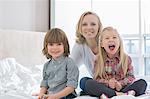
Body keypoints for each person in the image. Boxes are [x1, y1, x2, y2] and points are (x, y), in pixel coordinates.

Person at [80, 27, 147, 98]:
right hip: (105, 87)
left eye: (114, 37)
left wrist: (120, 84)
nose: (111, 40)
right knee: (84, 81)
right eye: (107, 38)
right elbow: (97, 78)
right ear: (102, 44)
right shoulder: (98, 59)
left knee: (142, 83)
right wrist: (108, 83)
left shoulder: (126, 59)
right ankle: (117, 94)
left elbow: (131, 77)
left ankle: (109, 94)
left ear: (119, 42)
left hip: (122, 88)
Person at [37, 28, 79, 99]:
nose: (55, 48)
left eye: (59, 44)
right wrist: (41, 94)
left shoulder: (69, 63)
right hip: (50, 94)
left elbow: (71, 86)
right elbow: (45, 83)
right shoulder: (46, 65)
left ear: (65, 46)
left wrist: (54, 97)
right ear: (46, 47)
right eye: (51, 44)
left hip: (66, 95)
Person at [70, 11, 103, 77]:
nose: (88, 27)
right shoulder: (79, 45)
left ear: (98, 27)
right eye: (84, 24)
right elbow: (71, 69)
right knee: (84, 81)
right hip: (98, 83)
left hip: (116, 80)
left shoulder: (106, 41)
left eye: (93, 24)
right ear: (80, 27)